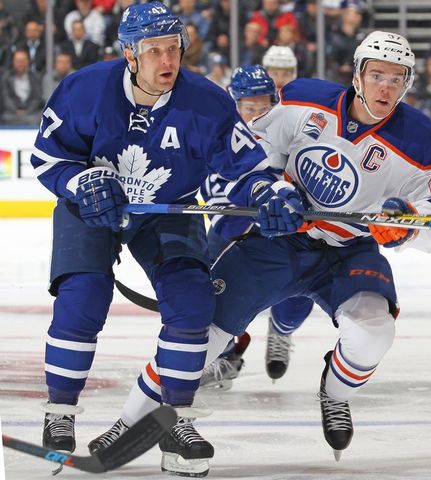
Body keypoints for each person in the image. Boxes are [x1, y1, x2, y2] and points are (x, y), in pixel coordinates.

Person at [92, 30, 431, 463]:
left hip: (348, 251)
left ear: (409, 83)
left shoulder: (423, 140)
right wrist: (270, 192)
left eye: (397, 78)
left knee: (374, 331)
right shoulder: (305, 99)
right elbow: (252, 152)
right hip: (278, 241)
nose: (386, 86)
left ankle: (334, 393)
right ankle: (128, 421)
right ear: (358, 73)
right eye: (377, 74)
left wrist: (410, 225)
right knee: (200, 337)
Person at [30, 3, 277, 477]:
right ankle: (60, 412)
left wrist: (271, 190)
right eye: (154, 51)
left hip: (168, 210)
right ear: (129, 54)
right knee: (83, 297)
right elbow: (47, 157)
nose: (168, 61)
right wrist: (78, 183)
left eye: (174, 48)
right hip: (93, 206)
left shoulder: (206, 101)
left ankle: (174, 422)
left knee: (191, 303)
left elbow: (244, 171)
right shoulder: (84, 89)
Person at [199, 64, 315, 387]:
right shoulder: (219, 137)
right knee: (211, 275)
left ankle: (282, 328)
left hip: (285, 229)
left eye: (264, 107)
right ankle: (225, 355)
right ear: (233, 105)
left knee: (303, 282)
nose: (257, 115)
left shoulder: (289, 133)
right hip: (239, 230)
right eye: (249, 108)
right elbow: (218, 206)